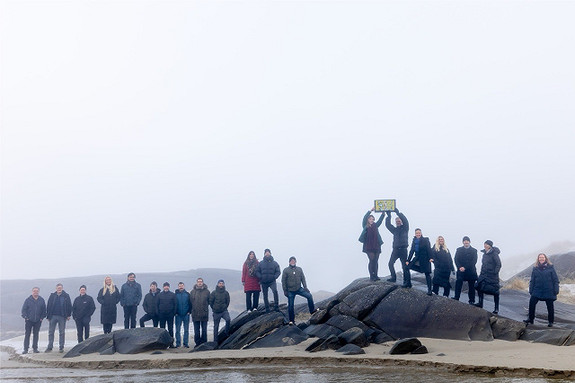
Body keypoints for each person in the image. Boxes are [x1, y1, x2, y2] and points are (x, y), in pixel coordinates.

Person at [524, 253, 560, 327]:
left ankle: (550, 322)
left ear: (545, 258)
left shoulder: (551, 268)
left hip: (549, 290)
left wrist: (556, 289)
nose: (541, 259)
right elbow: (532, 280)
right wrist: (531, 290)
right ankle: (530, 319)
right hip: (537, 290)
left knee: (550, 307)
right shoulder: (535, 268)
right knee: (531, 304)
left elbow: (555, 280)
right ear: (538, 259)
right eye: (540, 257)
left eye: (543, 257)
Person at [281, 256, 316, 325]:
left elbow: (303, 278)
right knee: (291, 305)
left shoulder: (299, 269)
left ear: (296, 262)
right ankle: (291, 320)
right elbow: (283, 281)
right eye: (291, 261)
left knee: (309, 296)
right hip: (290, 290)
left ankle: (312, 310)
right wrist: (285, 290)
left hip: (299, 289)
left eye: (294, 261)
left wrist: (305, 287)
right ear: (289, 262)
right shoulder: (286, 270)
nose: (292, 262)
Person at [474, 240, 502, 314]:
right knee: (479, 286)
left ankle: (496, 308)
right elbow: (483, 264)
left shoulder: (494, 254)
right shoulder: (484, 254)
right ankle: (480, 303)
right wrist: (481, 273)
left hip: (492, 275)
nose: (485, 245)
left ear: (490, 246)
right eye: (485, 244)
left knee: (495, 291)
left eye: (487, 244)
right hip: (483, 274)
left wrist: (494, 272)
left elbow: (498, 264)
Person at [358, 208, 385, 281]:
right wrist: (370, 210)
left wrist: (383, 214)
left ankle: (376, 275)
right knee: (372, 260)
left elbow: (380, 220)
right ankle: (371, 276)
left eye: (373, 219)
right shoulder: (365, 225)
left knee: (376, 261)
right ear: (368, 220)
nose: (372, 220)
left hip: (376, 245)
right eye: (370, 219)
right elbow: (364, 218)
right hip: (368, 246)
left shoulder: (376, 225)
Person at [385, 208, 410, 286]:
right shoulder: (394, 230)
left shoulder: (405, 228)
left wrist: (398, 213)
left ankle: (407, 282)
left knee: (405, 267)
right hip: (395, 250)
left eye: (399, 221)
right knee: (390, 263)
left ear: (401, 222)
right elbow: (388, 225)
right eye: (397, 221)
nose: (398, 222)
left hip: (403, 250)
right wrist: (388, 215)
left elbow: (405, 220)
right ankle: (393, 277)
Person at [45, 283, 72, 353]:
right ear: (56, 288)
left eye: (60, 288)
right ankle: (50, 347)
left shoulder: (66, 296)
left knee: (62, 332)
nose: (59, 289)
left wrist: (68, 315)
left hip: (62, 316)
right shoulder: (52, 296)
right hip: (53, 316)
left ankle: (61, 347)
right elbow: (48, 306)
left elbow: (69, 306)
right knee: (51, 332)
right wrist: (48, 316)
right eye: (58, 288)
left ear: (62, 288)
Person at [405, 228, 433, 294]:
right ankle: (408, 283)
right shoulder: (414, 240)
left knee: (427, 274)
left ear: (421, 233)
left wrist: (431, 257)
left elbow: (429, 249)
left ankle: (430, 290)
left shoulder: (425, 240)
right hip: (417, 257)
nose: (418, 234)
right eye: (416, 233)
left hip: (425, 258)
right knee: (407, 267)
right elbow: (412, 251)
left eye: (419, 233)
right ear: (415, 234)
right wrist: (408, 260)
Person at [453, 236, 478, 304]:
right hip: (461, 270)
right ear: (463, 242)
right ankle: (456, 297)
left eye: (467, 241)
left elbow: (474, 261)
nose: (466, 242)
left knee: (471, 286)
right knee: (458, 283)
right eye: (465, 241)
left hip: (471, 271)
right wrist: (459, 267)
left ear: (469, 242)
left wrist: (465, 267)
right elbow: (456, 259)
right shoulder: (459, 250)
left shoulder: (474, 251)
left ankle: (472, 300)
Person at [21, 287, 46, 354]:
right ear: (32, 292)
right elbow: (24, 310)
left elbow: (44, 310)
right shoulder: (28, 300)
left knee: (36, 335)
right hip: (29, 320)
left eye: (37, 291)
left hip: (38, 321)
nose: (35, 292)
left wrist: (41, 318)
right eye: (34, 291)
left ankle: (35, 348)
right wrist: (26, 317)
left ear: (39, 292)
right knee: (27, 334)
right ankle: (26, 349)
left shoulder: (41, 300)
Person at [190, 277, 210, 347]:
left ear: (203, 282)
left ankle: (204, 343)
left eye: (201, 281)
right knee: (196, 331)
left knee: (204, 330)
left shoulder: (207, 291)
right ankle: (197, 343)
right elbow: (191, 302)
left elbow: (209, 301)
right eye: (198, 281)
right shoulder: (192, 292)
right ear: (196, 282)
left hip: (204, 313)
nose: (199, 283)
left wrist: (205, 309)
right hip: (195, 314)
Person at [209, 279, 231, 344]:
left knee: (228, 319)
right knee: (216, 326)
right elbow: (210, 301)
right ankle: (215, 341)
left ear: (223, 284)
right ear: (218, 284)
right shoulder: (214, 293)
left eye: (222, 283)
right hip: (216, 312)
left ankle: (226, 333)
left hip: (224, 311)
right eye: (220, 283)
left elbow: (228, 301)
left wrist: (225, 307)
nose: (221, 284)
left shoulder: (226, 293)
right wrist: (214, 308)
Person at [157, 282, 177, 348]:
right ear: (163, 287)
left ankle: (171, 343)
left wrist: (173, 313)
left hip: (170, 315)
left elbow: (175, 304)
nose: (166, 287)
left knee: (170, 329)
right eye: (165, 286)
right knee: (162, 329)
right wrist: (158, 313)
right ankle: (162, 344)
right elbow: (156, 305)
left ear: (169, 287)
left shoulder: (173, 295)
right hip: (162, 315)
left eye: (167, 286)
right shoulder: (159, 295)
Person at [174, 282, 191, 348]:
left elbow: (190, 303)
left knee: (186, 330)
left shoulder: (187, 294)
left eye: (182, 286)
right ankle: (178, 344)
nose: (181, 287)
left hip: (186, 314)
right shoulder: (175, 295)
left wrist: (189, 311)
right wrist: (175, 312)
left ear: (184, 286)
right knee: (177, 330)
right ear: (178, 287)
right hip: (178, 315)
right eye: (179, 286)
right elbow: (174, 304)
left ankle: (185, 343)